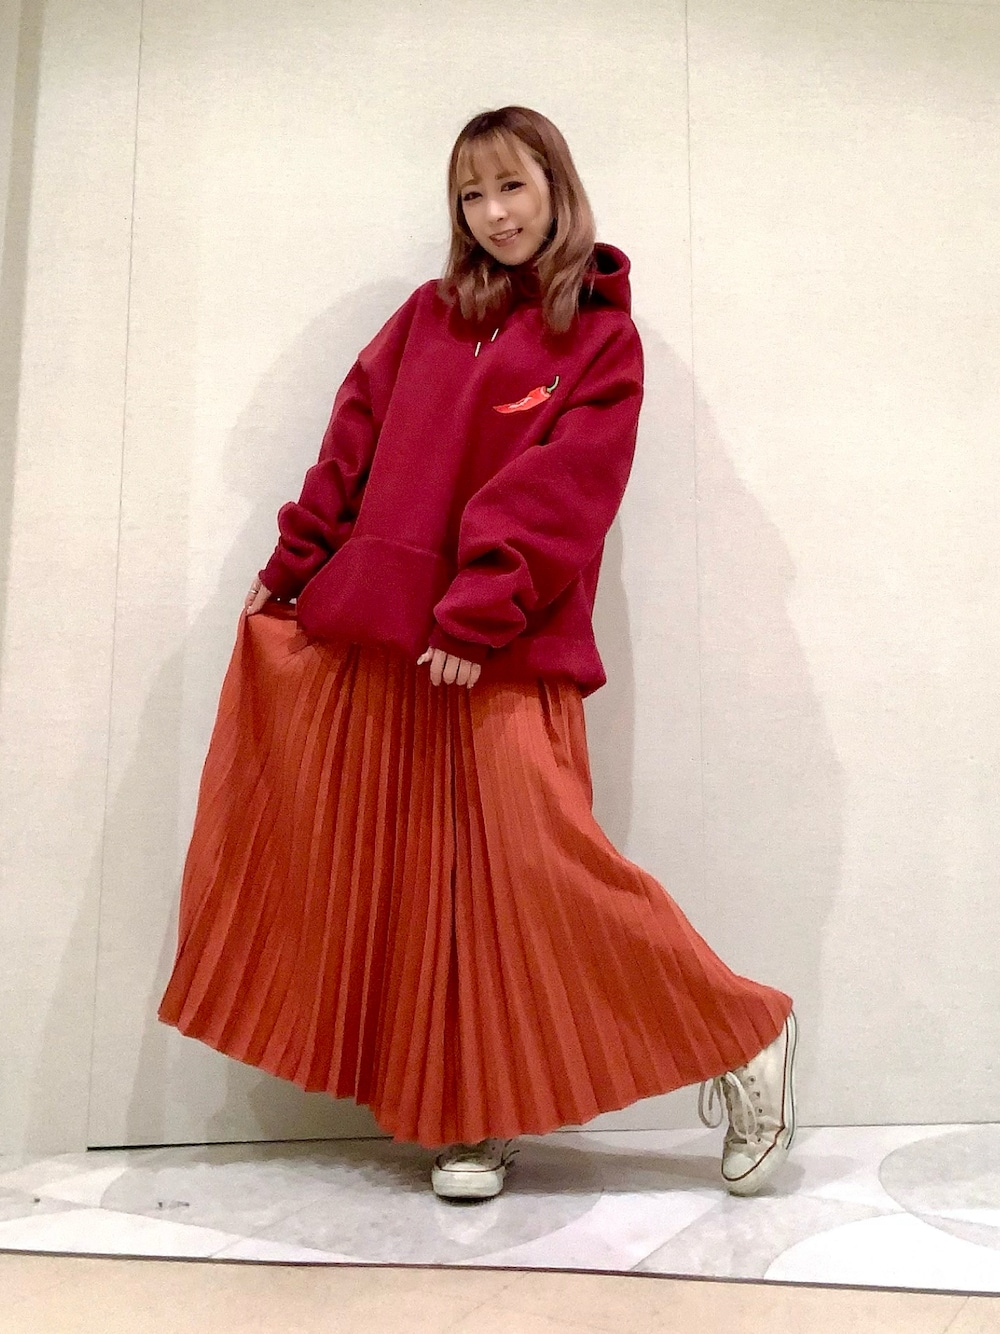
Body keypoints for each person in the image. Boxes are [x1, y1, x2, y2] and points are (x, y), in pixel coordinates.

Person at [158, 105, 797, 1203]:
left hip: (500, 649)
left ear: (557, 187)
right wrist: (293, 560)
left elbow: (565, 490)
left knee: (543, 874)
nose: (494, 213)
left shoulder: (599, 339)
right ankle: (471, 1111)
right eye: (471, 194)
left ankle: (748, 1036)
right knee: (428, 885)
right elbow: (350, 444)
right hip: (387, 642)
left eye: (512, 185)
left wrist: (477, 609)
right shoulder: (425, 317)